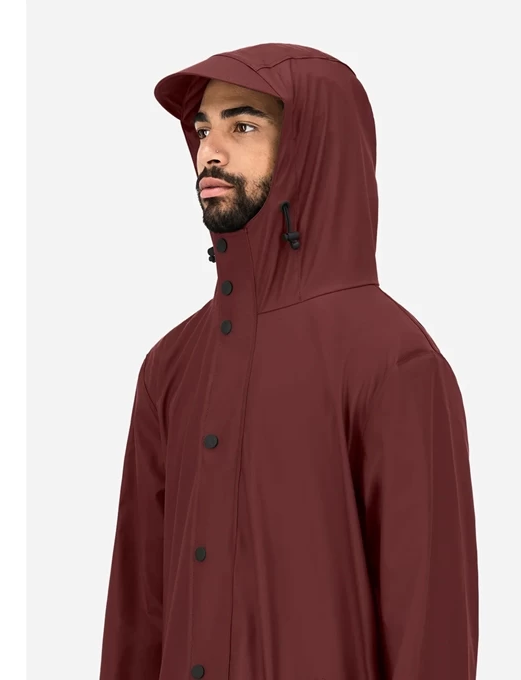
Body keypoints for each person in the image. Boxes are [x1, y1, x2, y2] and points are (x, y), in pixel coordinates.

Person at [99, 43, 479, 680]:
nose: (209, 152)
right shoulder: (170, 365)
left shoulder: (393, 358)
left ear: (312, 147)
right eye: (202, 130)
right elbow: (138, 612)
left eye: (243, 127)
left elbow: (429, 627)